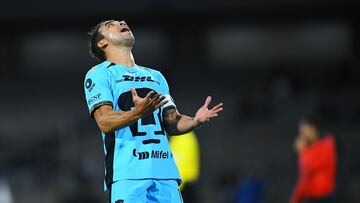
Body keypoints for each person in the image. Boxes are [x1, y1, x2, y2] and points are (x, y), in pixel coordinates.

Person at [84, 20, 223, 203]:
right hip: (127, 174)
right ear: (102, 43)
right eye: (112, 24)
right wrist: (137, 113)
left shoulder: (156, 76)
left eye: (121, 21)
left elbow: (172, 121)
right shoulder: (99, 74)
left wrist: (194, 121)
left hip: (165, 173)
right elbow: (104, 121)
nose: (122, 22)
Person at [290, 116, 337, 203]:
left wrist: (303, 151)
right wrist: (296, 198)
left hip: (324, 197)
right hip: (309, 198)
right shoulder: (307, 149)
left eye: (305, 130)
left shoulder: (327, 144)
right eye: (301, 131)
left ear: (314, 129)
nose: (302, 135)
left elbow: (312, 167)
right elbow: (304, 177)